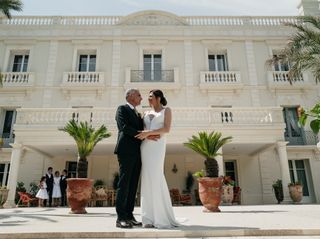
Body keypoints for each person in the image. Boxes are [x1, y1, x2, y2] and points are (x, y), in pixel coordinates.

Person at [135, 89, 179, 228]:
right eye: (148, 97)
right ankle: (147, 218)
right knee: (147, 179)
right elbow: (141, 132)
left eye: (151, 97)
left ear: (159, 98)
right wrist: (148, 135)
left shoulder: (167, 111)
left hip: (158, 146)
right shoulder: (145, 113)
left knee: (156, 176)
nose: (149, 99)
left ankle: (161, 217)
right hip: (146, 147)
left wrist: (149, 132)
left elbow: (166, 129)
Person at [114, 88, 144, 228]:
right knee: (124, 184)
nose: (141, 98)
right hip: (126, 151)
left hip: (138, 152)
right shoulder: (122, 109)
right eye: (139, 95)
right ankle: (120, 218)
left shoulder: (137, 113)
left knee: (133, 185)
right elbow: (124, 127)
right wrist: (142, 134)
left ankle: (129, 215)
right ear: (131, 97)